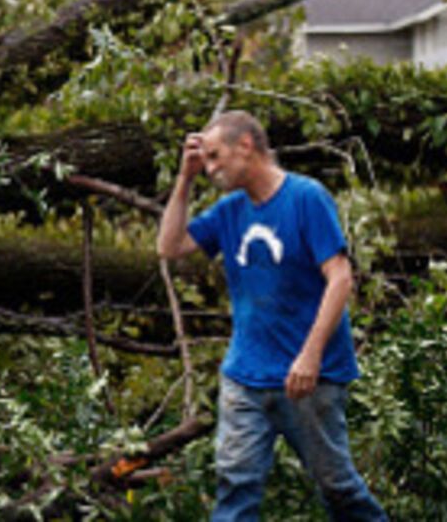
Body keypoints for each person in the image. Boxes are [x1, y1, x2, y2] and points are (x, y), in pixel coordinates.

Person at [157, 111, 387, 522]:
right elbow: (169, 247)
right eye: (204, 161)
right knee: (235, 489)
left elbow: (340, 278)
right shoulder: (230, 211)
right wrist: (185, 178)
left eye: (214, 157)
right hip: (244, 376)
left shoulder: (305, 198)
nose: (210, 169)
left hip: (309, 380)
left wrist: (311, 355)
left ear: (245, 146)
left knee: (338, 488)